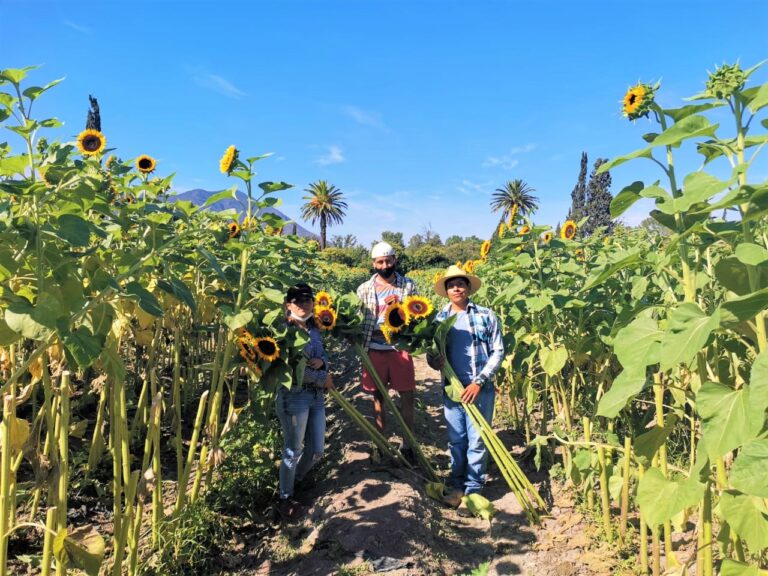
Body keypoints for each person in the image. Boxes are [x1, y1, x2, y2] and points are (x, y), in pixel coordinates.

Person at [428, 265, 504, 513]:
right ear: (446, 291)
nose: (456, 288)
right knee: (456, 440)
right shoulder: (439, 320)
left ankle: (473, 489)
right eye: (451, 285)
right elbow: (432, 355)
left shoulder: (486, 315)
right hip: (452, 388)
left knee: (478, 440)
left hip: (479, 388)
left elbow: (498, 351)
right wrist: (433, 361)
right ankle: (456, 484)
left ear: (469, 287)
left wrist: (479, 381)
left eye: (460, 284)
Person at [275, 282, 334, 519]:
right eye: (298, 301)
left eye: (308, 300)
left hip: (316, 397)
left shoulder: (314, 327)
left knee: (317, 449)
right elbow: (291, 370)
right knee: (293, 448)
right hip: (294, 397)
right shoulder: (283, 331)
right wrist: (323, 378)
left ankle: (295, 481)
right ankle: (285, 497)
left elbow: (322, 354)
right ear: (288, 305)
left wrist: (324, 363)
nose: (304, 305)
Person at [356, 241, 418, 462]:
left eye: (388, 260)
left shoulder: (408, 286)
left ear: (395, 260)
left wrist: (401, 307)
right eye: (380, 262)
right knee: (378, 398)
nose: (385, 265)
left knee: (407, 395)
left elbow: (417, 316)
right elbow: (358, 320)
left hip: (399, 348)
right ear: (373, 263)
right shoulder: (364, 289)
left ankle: (408, 444)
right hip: (373, 348)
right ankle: (381, 443)